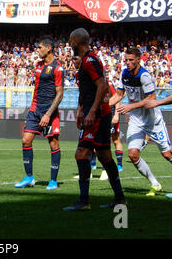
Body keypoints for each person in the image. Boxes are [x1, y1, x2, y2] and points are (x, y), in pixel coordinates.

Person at [63, 28, 125, 211]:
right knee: (104, 155)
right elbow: (88, 90)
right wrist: (81, 109)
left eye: (71, 41)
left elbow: (102, 86)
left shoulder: (89, 60)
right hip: (99, 113)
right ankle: (120, 198)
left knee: (81, 153)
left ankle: (83, 201)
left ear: (77, 42)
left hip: (97, 115)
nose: (69, 44)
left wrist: (91, 112)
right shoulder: (87, 60)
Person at [111, 47, 172, 196]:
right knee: (132, 154)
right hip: (136, 120)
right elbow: (118, 95)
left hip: (152, 120)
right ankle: (155, 184)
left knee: (167, 154)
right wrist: (102, 106)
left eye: (131, 60)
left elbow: (151, 99)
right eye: (126, 60)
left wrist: (131, 106)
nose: (128, 63)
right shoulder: (124, 73)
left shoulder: (144, 75)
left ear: (138, 59)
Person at [15, 36, 64, 190]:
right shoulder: (38, 65)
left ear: (48, 48)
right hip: (35, 109)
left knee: (53, 143)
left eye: (40, 47)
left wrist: (48, 114)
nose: (37, 49)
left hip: (49, 112)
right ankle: (29, 177)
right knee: (26, 140)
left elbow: (60, 94)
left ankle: (53, 181)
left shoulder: (58, 68)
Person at [90, 77, 124, 180]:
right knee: (95, 139)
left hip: (111, 113)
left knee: (115, 139)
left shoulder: (107, 83)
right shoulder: (90, 83)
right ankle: (93, 164)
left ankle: (119, 164)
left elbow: (117, 98)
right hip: (99, 114)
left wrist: (116, 115)